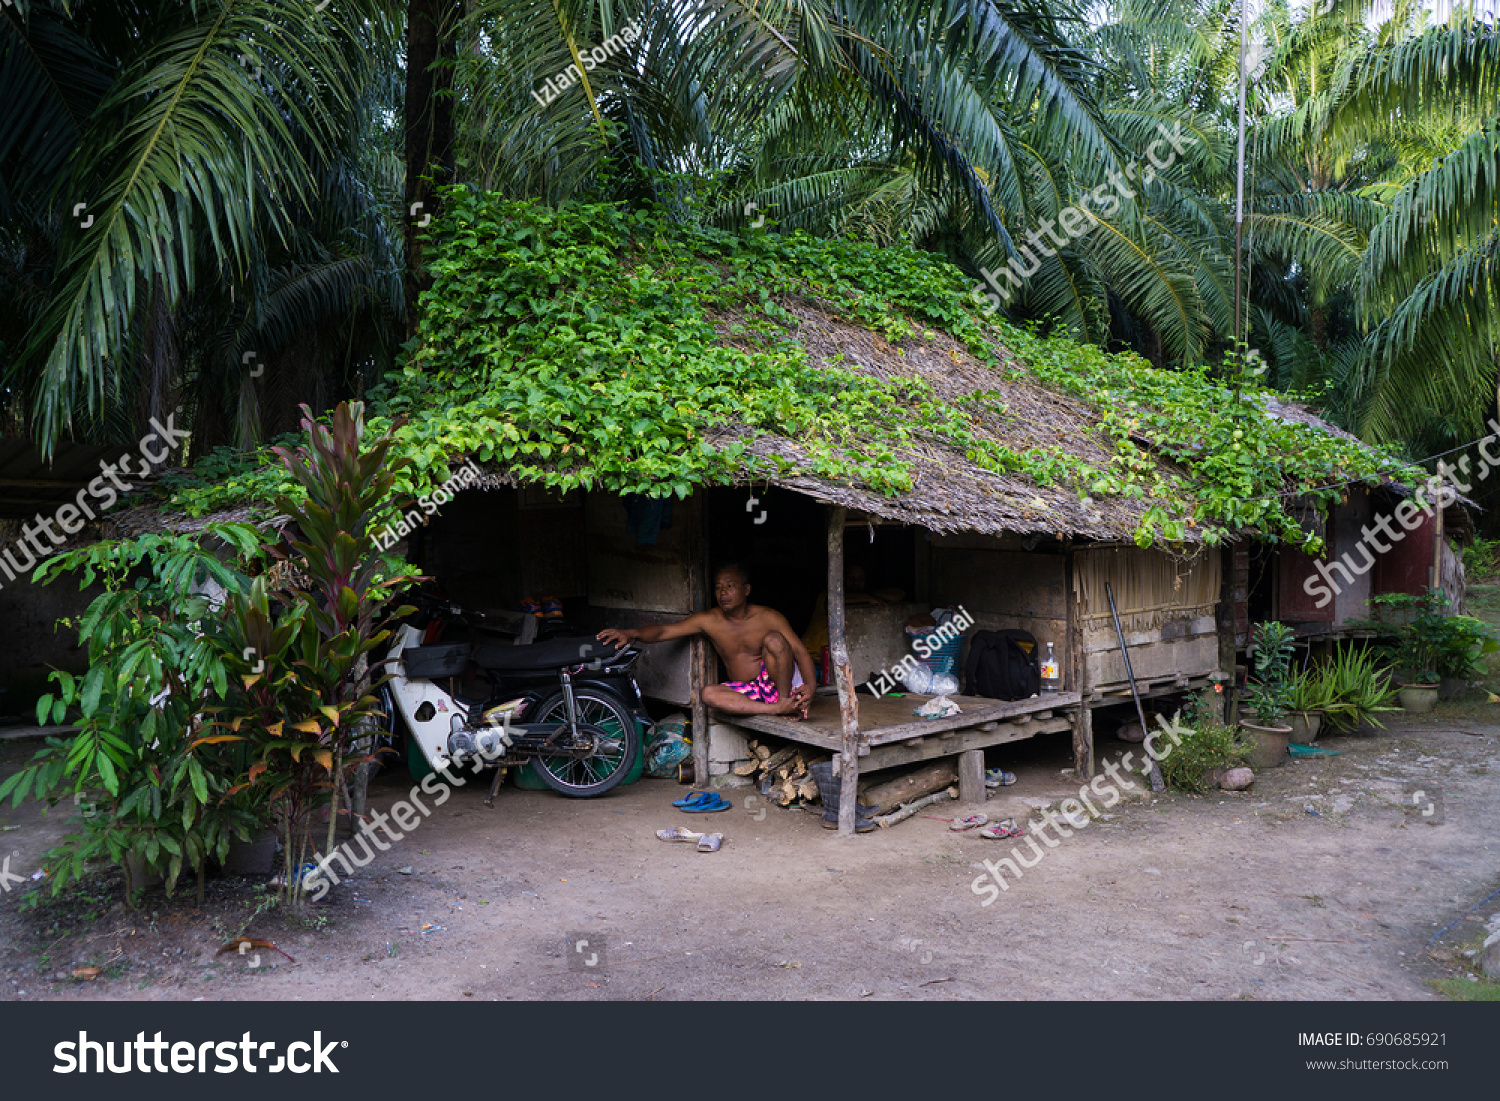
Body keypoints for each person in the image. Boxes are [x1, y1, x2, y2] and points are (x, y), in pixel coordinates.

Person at [596, 563, 816, 719]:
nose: (723, 593)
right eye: (719, 587)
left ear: (746, 590)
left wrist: (811, 687)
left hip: (780, 685)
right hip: (749, 693)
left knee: (774, 640)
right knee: (708, 693)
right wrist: (631, 633)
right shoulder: (709, 620)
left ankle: (785, 701)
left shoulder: (768, 617)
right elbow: (664, 631)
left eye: (730, 586)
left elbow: (800, 651)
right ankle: (778, 709)